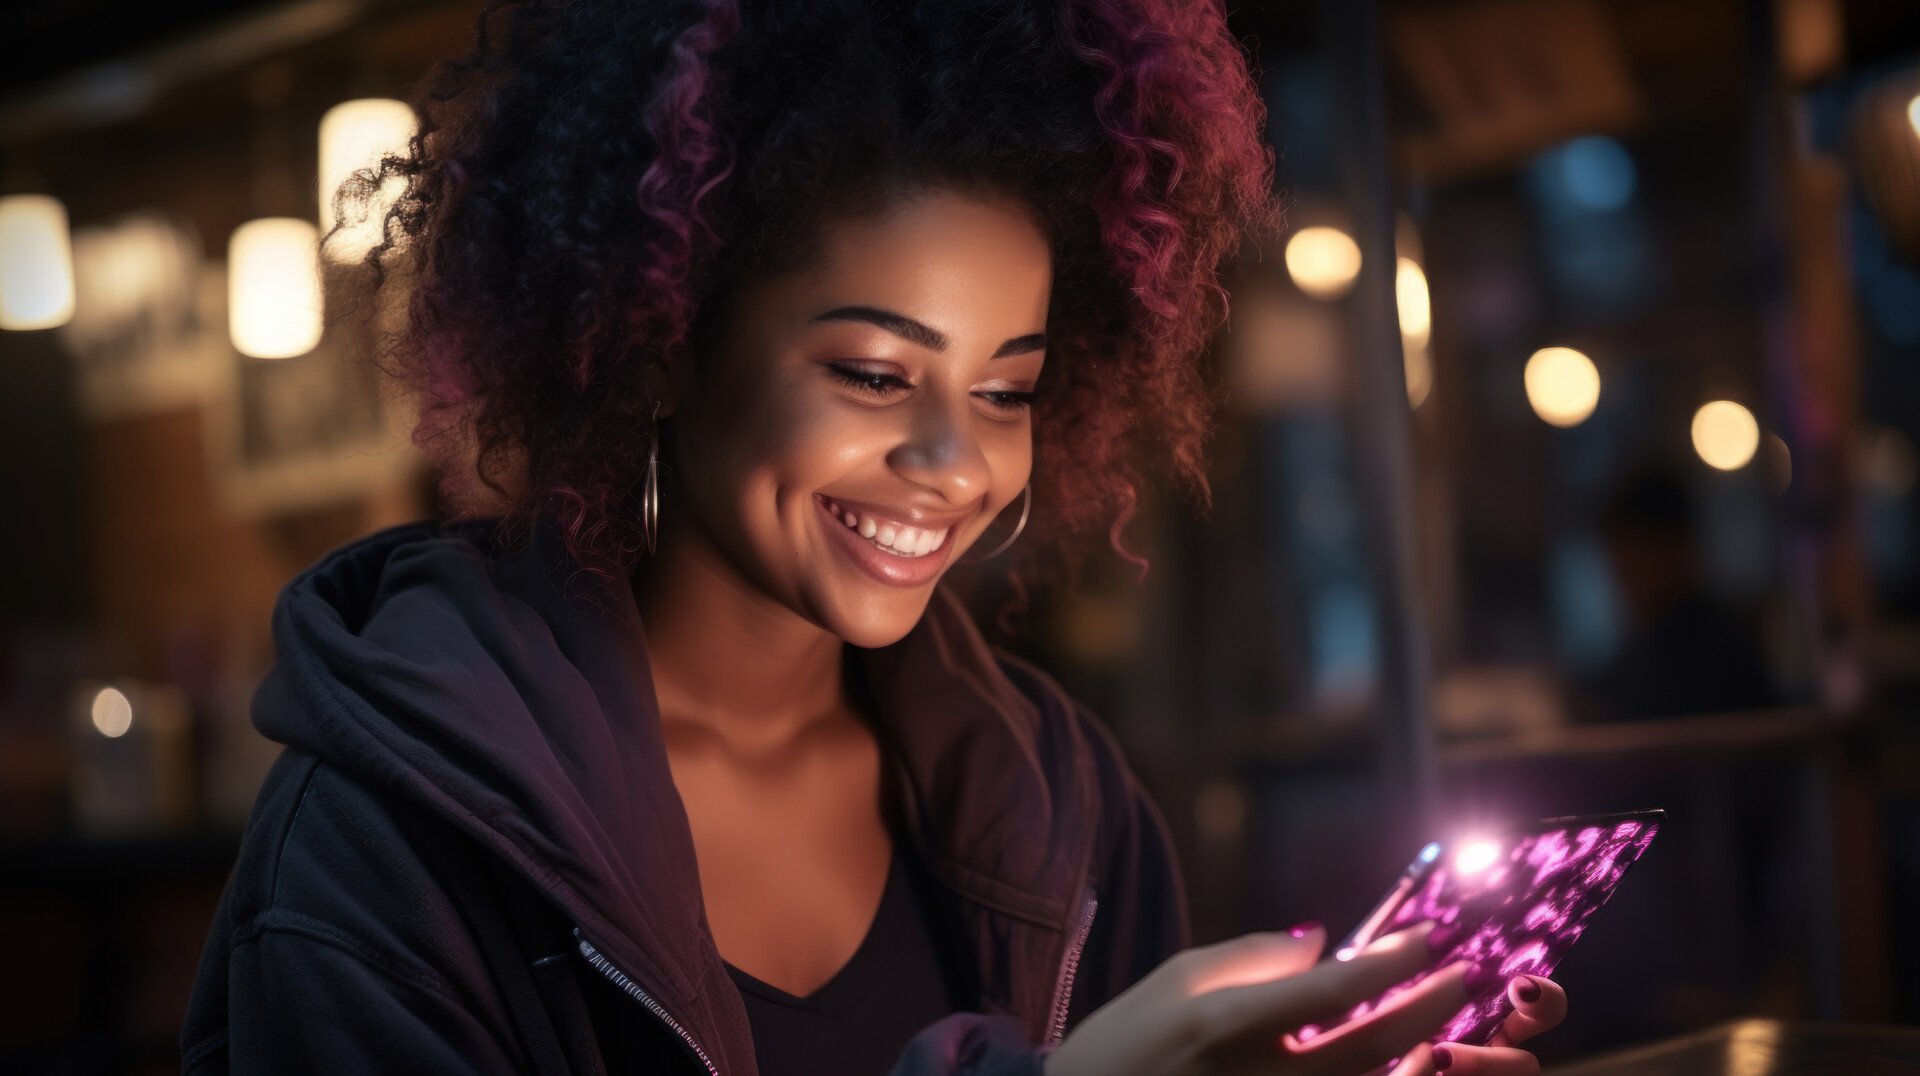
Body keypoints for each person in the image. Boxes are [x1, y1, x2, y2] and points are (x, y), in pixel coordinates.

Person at [181, 1, 1569, 1072]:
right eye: (871, 373)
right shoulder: (384, 849)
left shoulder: (1065, 802)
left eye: (1007, 391)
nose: (954, 464)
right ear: (660, 343)